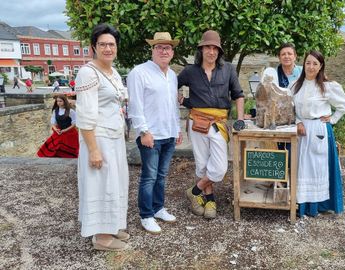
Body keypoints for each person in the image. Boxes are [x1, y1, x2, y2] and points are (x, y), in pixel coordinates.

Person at [75, 23, 130, 251]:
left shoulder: (113, 72)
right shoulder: (88, 73)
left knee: (115, 183)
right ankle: (101, 237)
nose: (108, 48)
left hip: (115, 138)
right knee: (101, 185)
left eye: (111, 44)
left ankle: (112, 225)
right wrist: (93, 149)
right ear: (93, 47)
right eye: (103, 44)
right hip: (98, 139)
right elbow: (85, 115)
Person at [178, 30, 244, 219]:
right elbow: (170, 86)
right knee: (202, 164)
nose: (211, 51)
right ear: (201, 49)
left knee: (220, 167)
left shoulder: (228, 69)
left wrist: (239, 119)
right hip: (197, 121)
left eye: (215, 48)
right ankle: (210, 200)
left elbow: (238, 95)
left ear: (219, 51)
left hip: (218, 123)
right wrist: (183, 101)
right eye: (208, 47)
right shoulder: (190, 71)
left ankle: (194, 191)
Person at [127, 32, 183, 234]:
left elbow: (172, 105)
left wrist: (177, 128)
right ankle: (146, 215)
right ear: (152, 50)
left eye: (167, 47)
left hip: (168, 133)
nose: (163, 51)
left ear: (172, 52)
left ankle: (158, 208)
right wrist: (143, 131)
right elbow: (135, 105)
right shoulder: (139, 72)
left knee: (161, 175)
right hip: (150, 134)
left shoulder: (172, 75)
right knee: (149, 176)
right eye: (159, 47)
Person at [293, 50, 345, 217]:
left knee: (317, 169)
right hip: (302, 131)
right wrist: (298, 122)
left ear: (320, 67)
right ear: (303, 64)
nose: (311, 67)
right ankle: (302, 205)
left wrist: (333, 119)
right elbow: (291, 108)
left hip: (319, 130)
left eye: (315, 64)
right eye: (308, 63)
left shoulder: (327, 87)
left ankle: (318, 206)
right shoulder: (296, 86)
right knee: (302, 169)